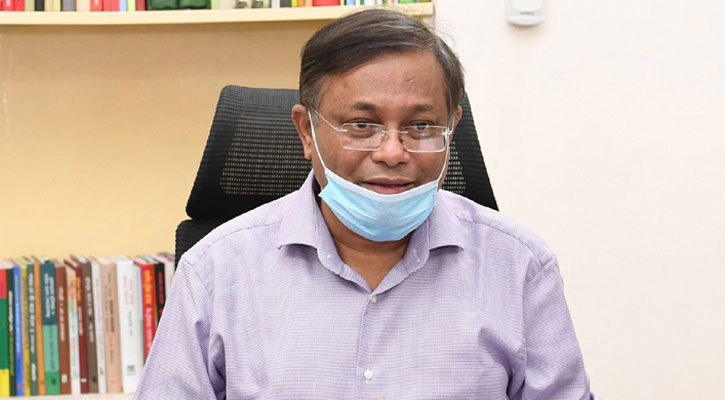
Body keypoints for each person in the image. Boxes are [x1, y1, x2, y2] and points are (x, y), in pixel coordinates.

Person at [135, 8, 597, 400]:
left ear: (451, 129)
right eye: (361, 125)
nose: (392, 152)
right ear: (307, 132)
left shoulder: (519, 265)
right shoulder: (215, 270)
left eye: (421, 127)